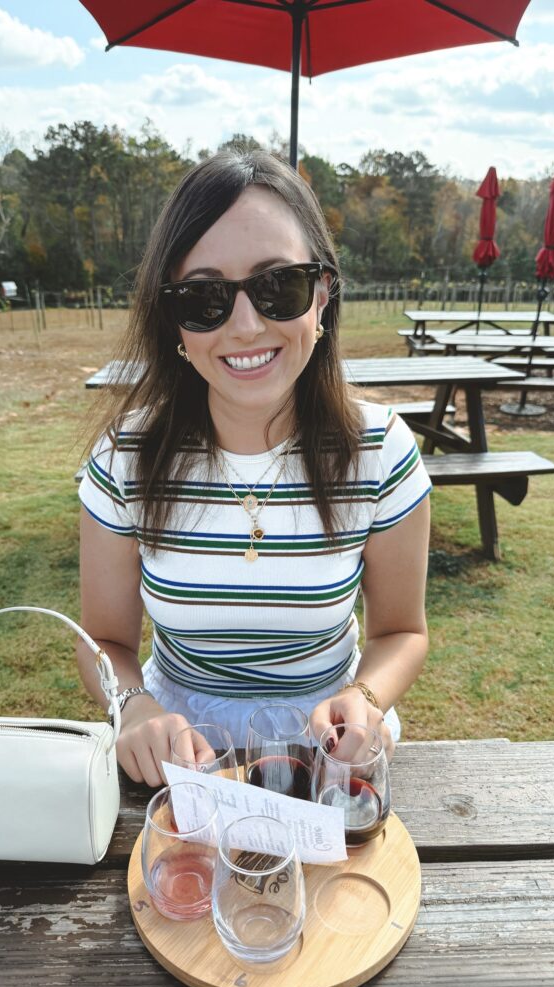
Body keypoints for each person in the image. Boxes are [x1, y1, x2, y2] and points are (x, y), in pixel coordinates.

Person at [77, 149, 431, 788]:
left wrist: (370, 699)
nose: (245, 326)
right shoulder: (123, 460)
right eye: (205, 297)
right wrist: (133, 709)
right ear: (174, 323)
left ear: (323, 295)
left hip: (330, 750)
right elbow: (104, 639)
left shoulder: (382, 450)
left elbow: (403, 631)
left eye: (278, 287)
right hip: (175, 758)